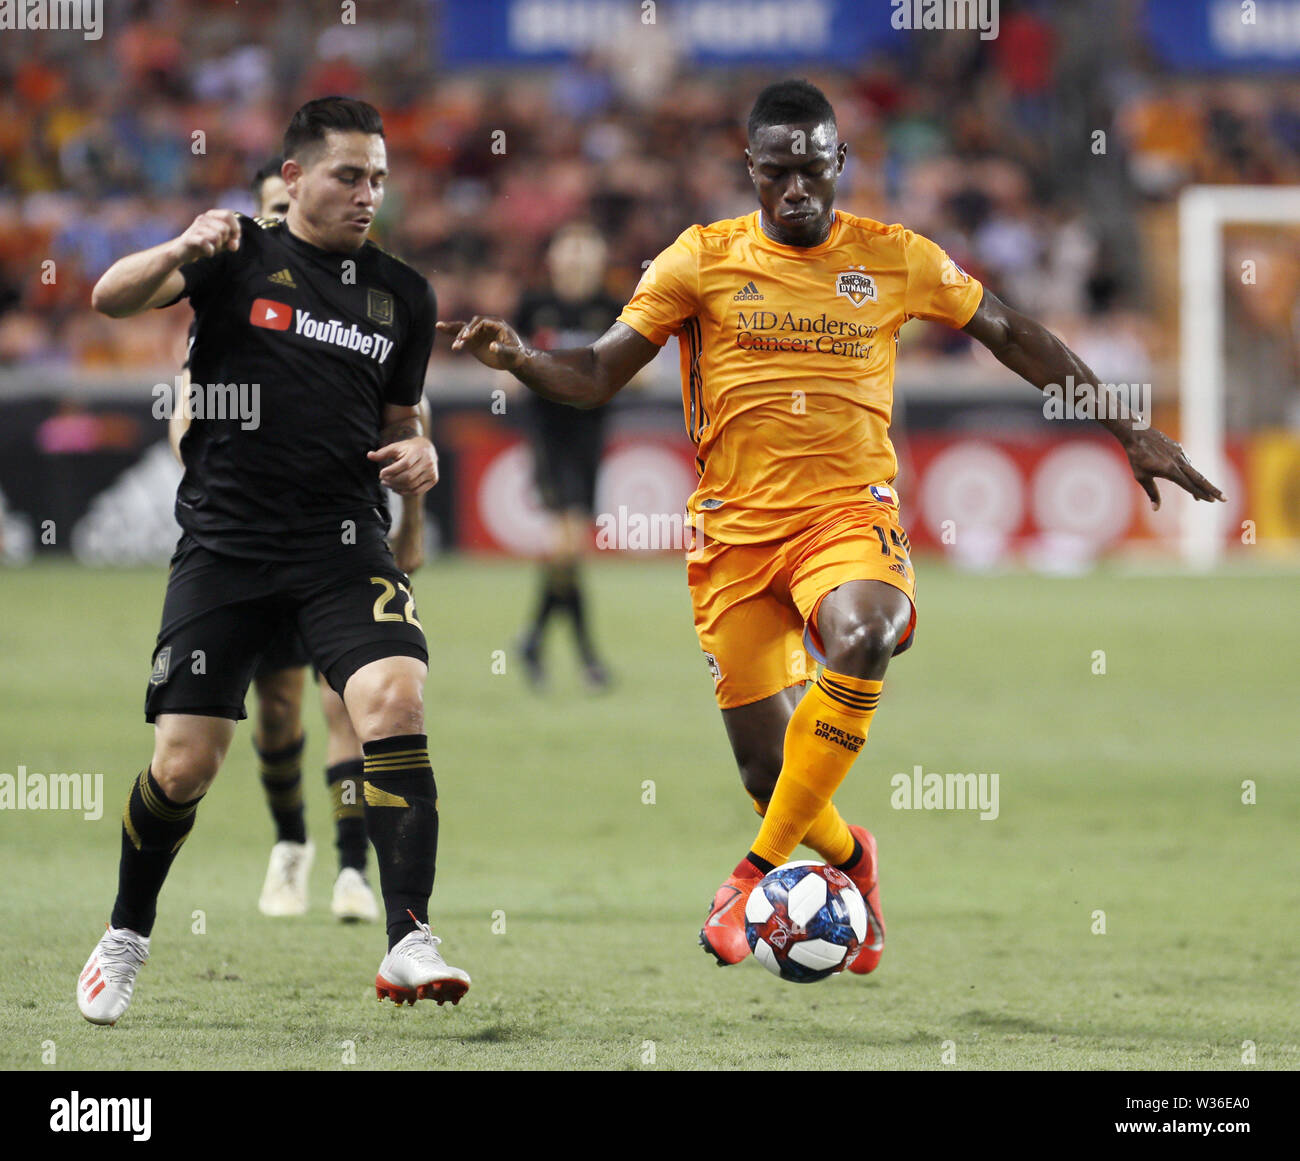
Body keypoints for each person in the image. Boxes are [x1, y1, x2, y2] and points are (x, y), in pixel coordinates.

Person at [439, 79, 1224, 973]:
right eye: (778, 173)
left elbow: (1010, 331)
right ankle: (852, 858)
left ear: (841, 162)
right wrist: (522, 359)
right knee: (767, 776)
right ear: (751, 171)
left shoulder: (894, 257)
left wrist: (1126, 423)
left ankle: (749, 877)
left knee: (867, 630)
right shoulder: (697, 260)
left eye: (814, 169)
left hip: (848, 515)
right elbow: (595, 373)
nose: (798, 189)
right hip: (734, 536)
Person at [78, 96, 467, 1025]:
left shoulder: (404, 296)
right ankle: (128, 930)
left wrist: (423, 464)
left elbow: (400, 426)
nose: (368, 193)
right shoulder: (231, 255)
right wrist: (177, 248)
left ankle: (409, 936)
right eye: (348, 175)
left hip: (341, 546)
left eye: (377, 177)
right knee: (184, 765)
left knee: (394, 697)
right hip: (225, 548)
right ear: (293, 178)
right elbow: (108, 296)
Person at [165, 159, 428, 924]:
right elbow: (187, 425)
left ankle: (353, 868)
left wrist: (408, 524)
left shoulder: (376, 306)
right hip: (249, 541)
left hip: (341, 544)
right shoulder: (230, 303)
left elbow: (407, 422)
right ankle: (291, 843)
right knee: (277, 710)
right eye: (273, 209)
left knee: (353, 699)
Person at [514, 222, 622, 690]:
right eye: (569, 248)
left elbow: (636, 372)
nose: (577, 257)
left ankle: (535, 641)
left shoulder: (612, 309)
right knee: (567, 545)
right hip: (549, 435)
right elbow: (507, 361)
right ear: (554, 256)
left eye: (586, 248)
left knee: (568, 551)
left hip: (590, 437)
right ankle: (586, 656)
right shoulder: (534, 305)